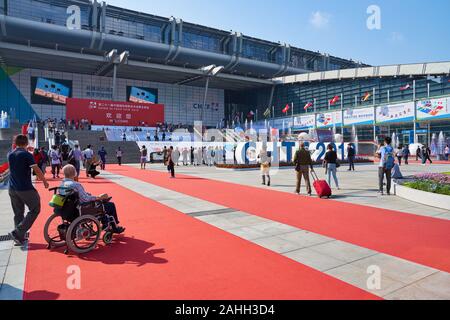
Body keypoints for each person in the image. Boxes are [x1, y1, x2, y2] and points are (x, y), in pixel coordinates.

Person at [8, 135, 49, 246]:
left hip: (12, 188)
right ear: (26, 143)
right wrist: (45, 181)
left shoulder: (10, 154)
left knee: (18, 213)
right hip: (25, 188)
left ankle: (19, 237)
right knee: (35, 208)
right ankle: (17, 233)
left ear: (15, 143)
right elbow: (37, 170)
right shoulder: (26, 155)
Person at [59, 165, 125, 234]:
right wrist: (98, 197)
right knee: (110, 205)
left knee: (103, 203)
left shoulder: (62, 184)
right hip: (82, 209)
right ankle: (114, 226)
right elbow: (85, 199)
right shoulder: (76, 185)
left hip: (69, 210)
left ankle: (107, 223)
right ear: (74, 173)